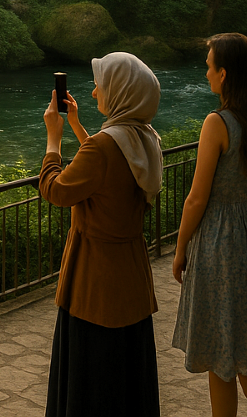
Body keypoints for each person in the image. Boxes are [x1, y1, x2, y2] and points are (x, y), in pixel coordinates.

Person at [39, 52, 161, 417]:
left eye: (100, 85)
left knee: (91, 379)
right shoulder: (143, 138)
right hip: (131, 279)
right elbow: (107, 170)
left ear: (122, 92)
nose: (93, 93)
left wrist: (54, 140)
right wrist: (79, 128)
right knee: (125, 377)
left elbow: (57, 191)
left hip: (94, 282)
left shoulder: (106, 146)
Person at [171, 33, 247, 417]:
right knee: (246, 351)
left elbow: (196, 198)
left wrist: (181, 247)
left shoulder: (217, 123)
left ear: (224, 73)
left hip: (218, 241)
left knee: (220, 348)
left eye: (209, 67)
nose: (206, 74)